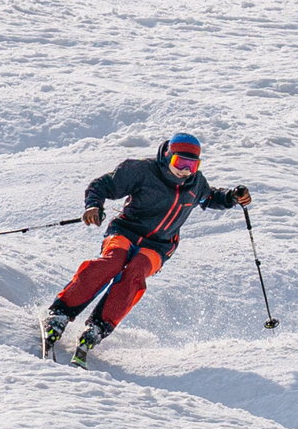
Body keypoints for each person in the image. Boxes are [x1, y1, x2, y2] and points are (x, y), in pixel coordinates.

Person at [42, 134, 251, 365]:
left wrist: (232, 197)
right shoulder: (142, 170)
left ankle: (98, 328)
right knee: (113, 261)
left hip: (160, 246)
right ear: (166, 157)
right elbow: (102, 185)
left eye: (192, 165)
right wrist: (94, 206)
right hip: (125, 231)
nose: (185, 170)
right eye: (179, 163)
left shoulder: (196, 183)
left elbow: (211, 197)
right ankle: (60, 312)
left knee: (135, 272)